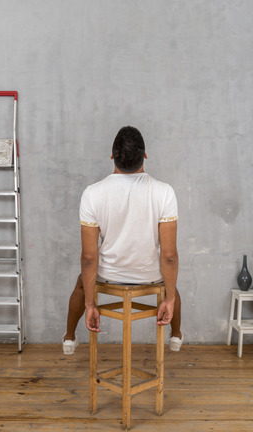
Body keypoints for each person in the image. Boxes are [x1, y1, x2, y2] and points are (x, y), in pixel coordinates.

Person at [63, 126, 183, 354]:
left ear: (112, 156)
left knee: (81, 282)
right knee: (172, 286)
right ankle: (176, 336)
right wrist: (169, 299)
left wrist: (90, 304)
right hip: (150, 275)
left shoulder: (92, 193)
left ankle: (69, 338)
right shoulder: (164, 192)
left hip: (109, 274)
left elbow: (89, 258)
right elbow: (169, 256)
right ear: (144, 155)